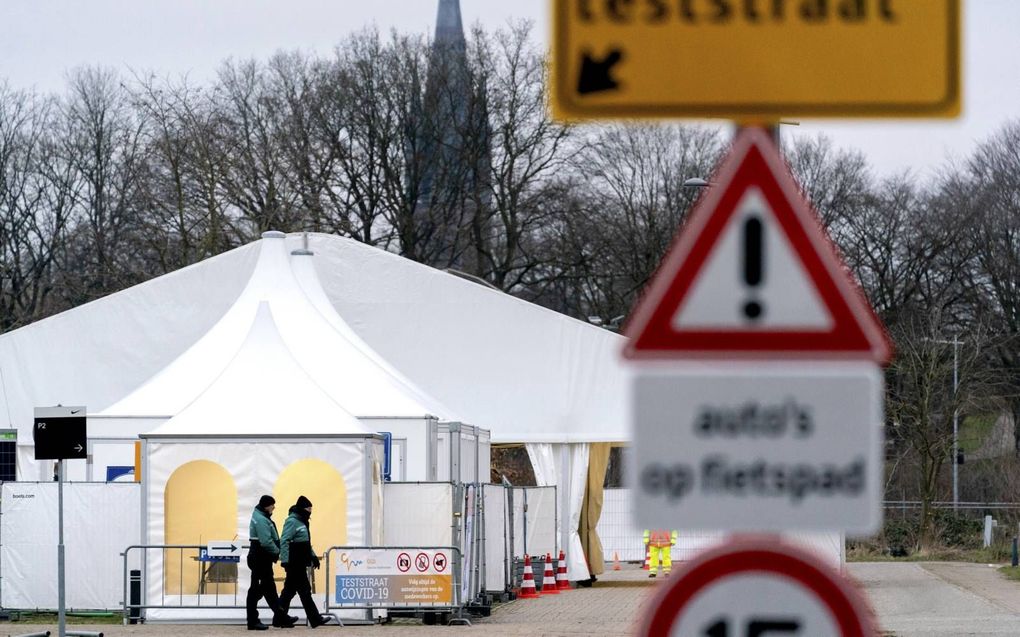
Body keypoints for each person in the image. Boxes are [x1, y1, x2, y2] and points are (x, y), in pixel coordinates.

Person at [279, 496, 334, 627]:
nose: (310, 511)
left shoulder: (303, 521)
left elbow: (306, 544)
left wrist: (313, 557)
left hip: (300, 561)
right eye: (309, 508)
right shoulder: (292, 522)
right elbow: (284, 540)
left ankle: (279, 618)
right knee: (304, 591)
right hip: (294, 562)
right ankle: (315, 619)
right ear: (302, 508)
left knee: (289, 592)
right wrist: (285, 560)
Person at [246, 495, 295, 630]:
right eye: (272, 505)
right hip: (260, 557)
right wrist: (277, 551)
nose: (274, 507)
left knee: (268, 589)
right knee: (258, 590)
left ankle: (281, 617)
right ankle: (253, 620)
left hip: (259, 557)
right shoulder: (261, 519)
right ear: (267, 506)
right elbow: (266, 541)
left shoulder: (260, 516)